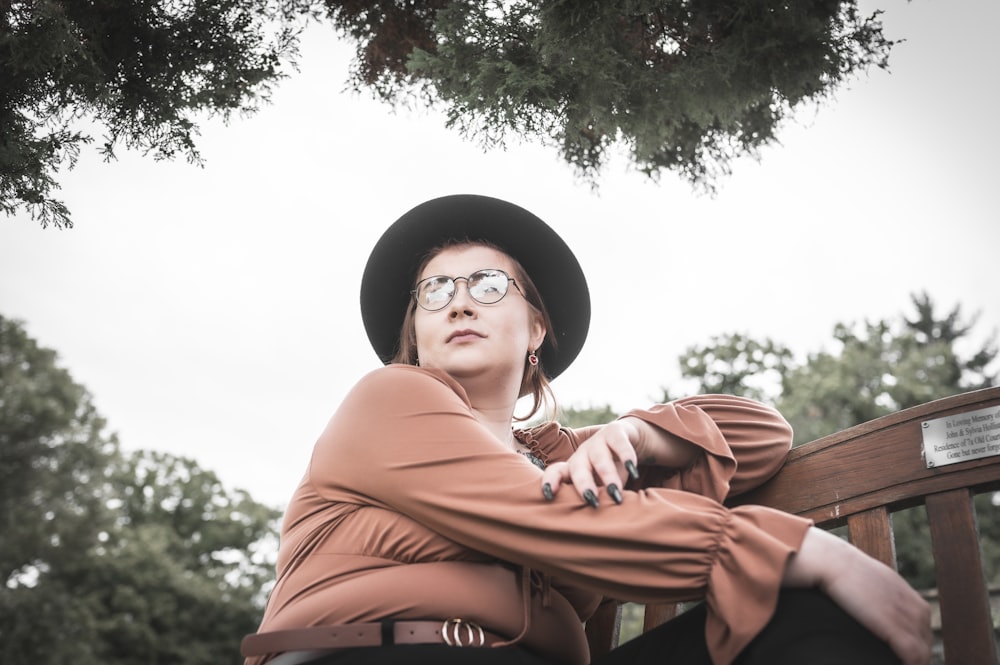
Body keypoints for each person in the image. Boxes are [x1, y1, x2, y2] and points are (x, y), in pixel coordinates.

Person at [241, 195, 931, 665]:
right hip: (371, 654)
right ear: (415, 335)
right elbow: (549, 515)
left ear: (535, 328)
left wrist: (637, 436)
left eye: (486, 285)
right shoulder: (388, 400)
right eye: (434, 290)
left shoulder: (561, 461)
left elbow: (759, 434)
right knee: (805, 584)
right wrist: (807, 551)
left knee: (803, 622)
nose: (457, 302)